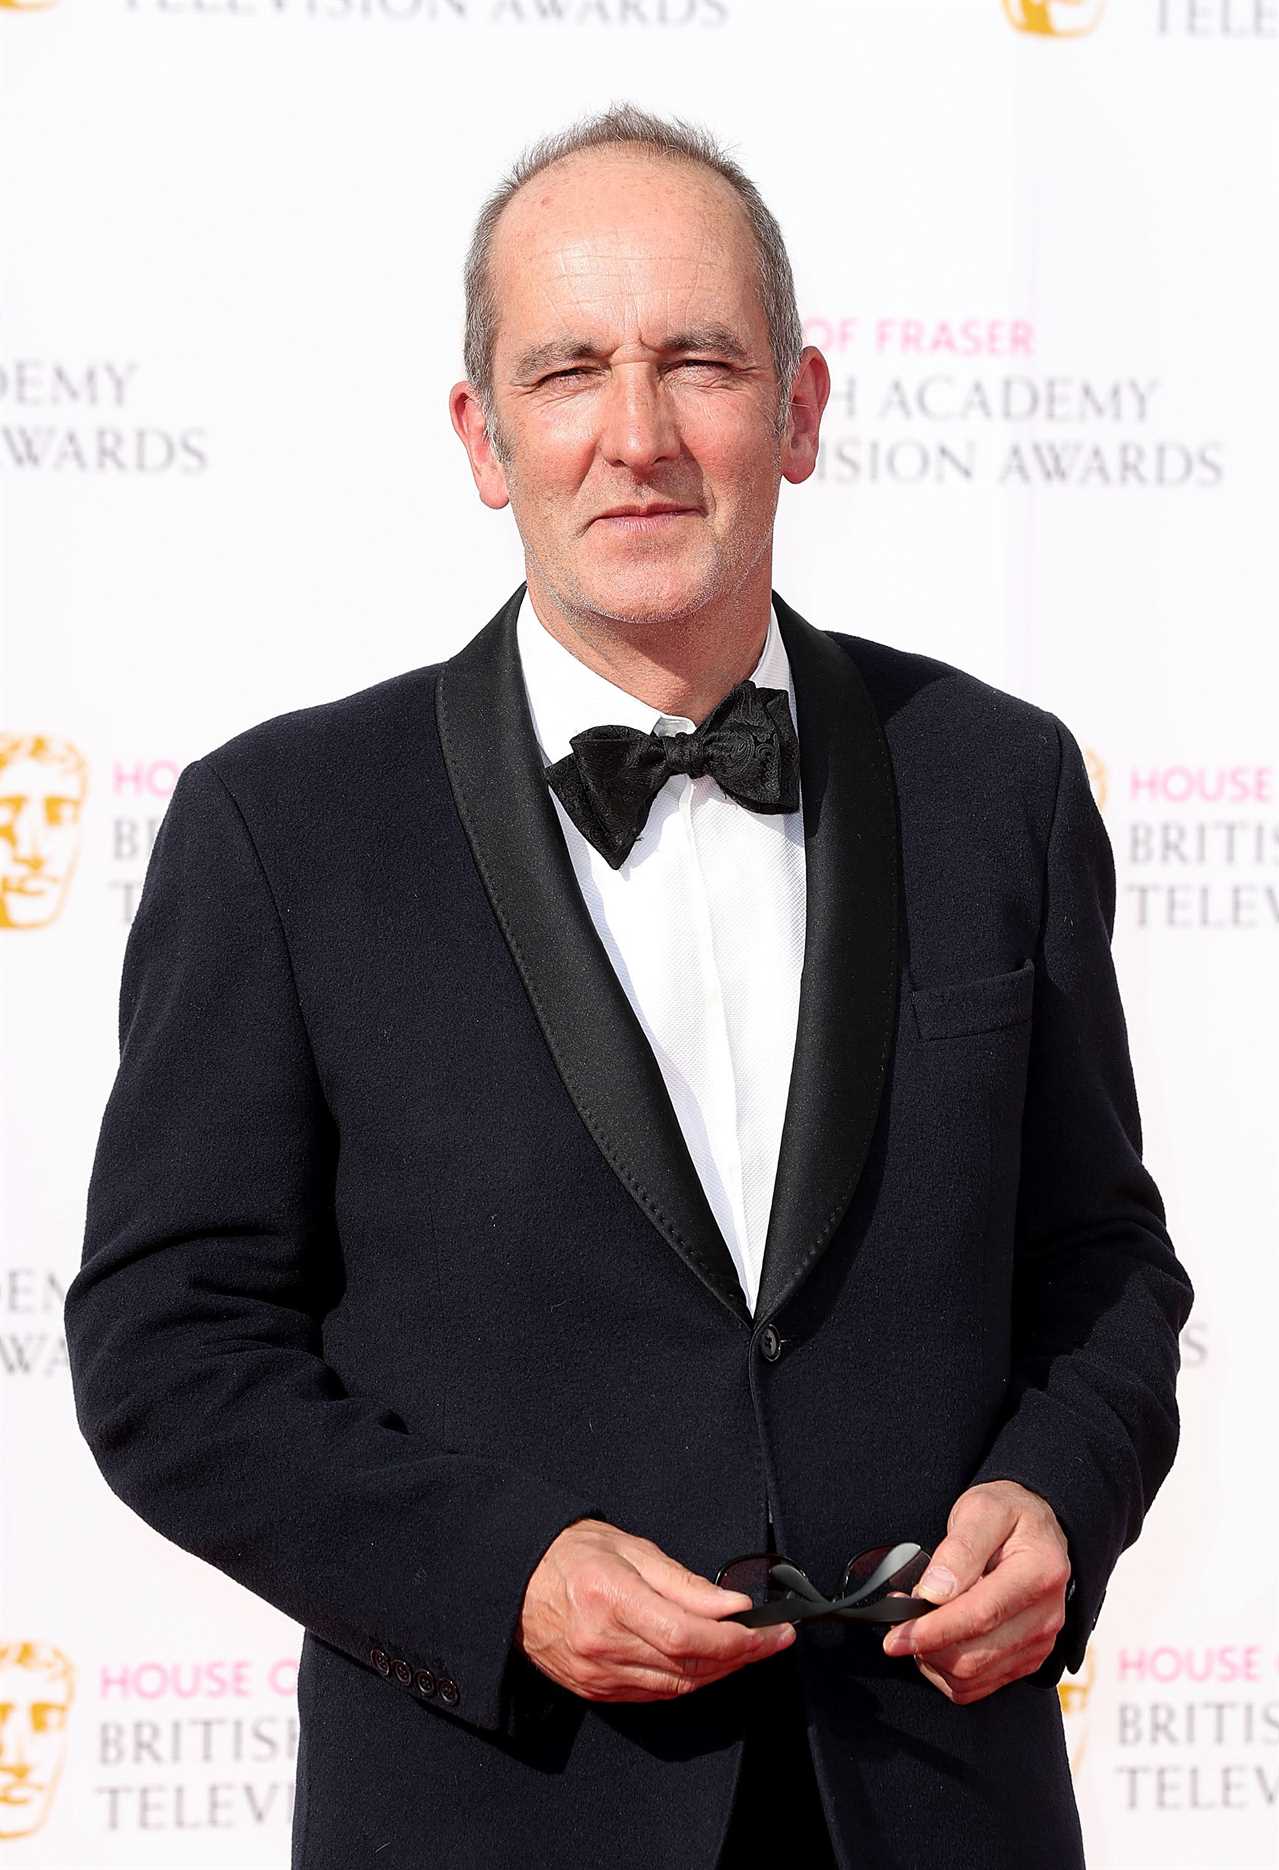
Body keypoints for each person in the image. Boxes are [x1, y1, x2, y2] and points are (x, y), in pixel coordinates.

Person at [64, 102, 1195, 1870]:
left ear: (801, 410)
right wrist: (498, 1571)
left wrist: (1062, 1490)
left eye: (702, 363)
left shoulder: (1002, 784)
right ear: (484, 434)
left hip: (935, 1805)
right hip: (491, 1812)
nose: (639, 437)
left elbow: (1105, 1266)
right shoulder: (282, 829)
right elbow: (165, 1349)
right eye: (571, 370)